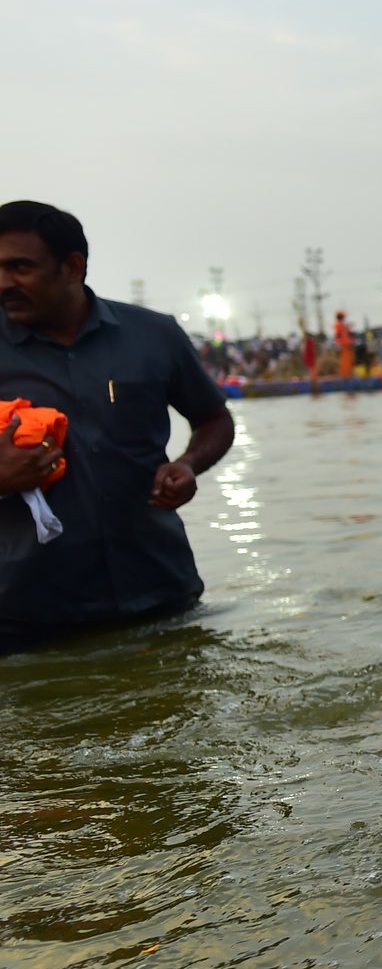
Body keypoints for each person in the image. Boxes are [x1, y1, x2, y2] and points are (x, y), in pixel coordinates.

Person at [0, 199, 236, 653]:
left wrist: (188, 465)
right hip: (27, 620)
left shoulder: (153, 335)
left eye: (20, 267)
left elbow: (214, 419)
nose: (4, 283)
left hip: (161, 596)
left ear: (72, 267)